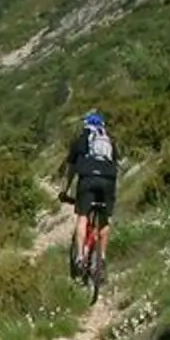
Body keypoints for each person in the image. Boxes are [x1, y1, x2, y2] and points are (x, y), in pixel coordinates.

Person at [59, 110, 118, 278]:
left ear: (86, 125)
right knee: (104, 220)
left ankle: (79, 258)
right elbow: (115, 166)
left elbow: (71, 169)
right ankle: (102, 262)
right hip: (108, 181)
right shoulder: (110, 142)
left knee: (83, 217)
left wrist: (65, 190)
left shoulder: (80, 140)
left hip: (88, 180)